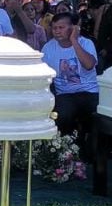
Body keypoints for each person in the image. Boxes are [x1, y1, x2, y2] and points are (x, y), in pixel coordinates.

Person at [42, 12, 99, 149]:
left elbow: (89, 64)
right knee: (63, 115)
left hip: (89, 91)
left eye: (61, 27)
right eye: (54, 28)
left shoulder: (86, 43)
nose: (57, 31)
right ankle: (66, 151)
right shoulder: (49, 47)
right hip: (65, 94)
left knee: (96, 119)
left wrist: (74, 41)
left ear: (73, 28)